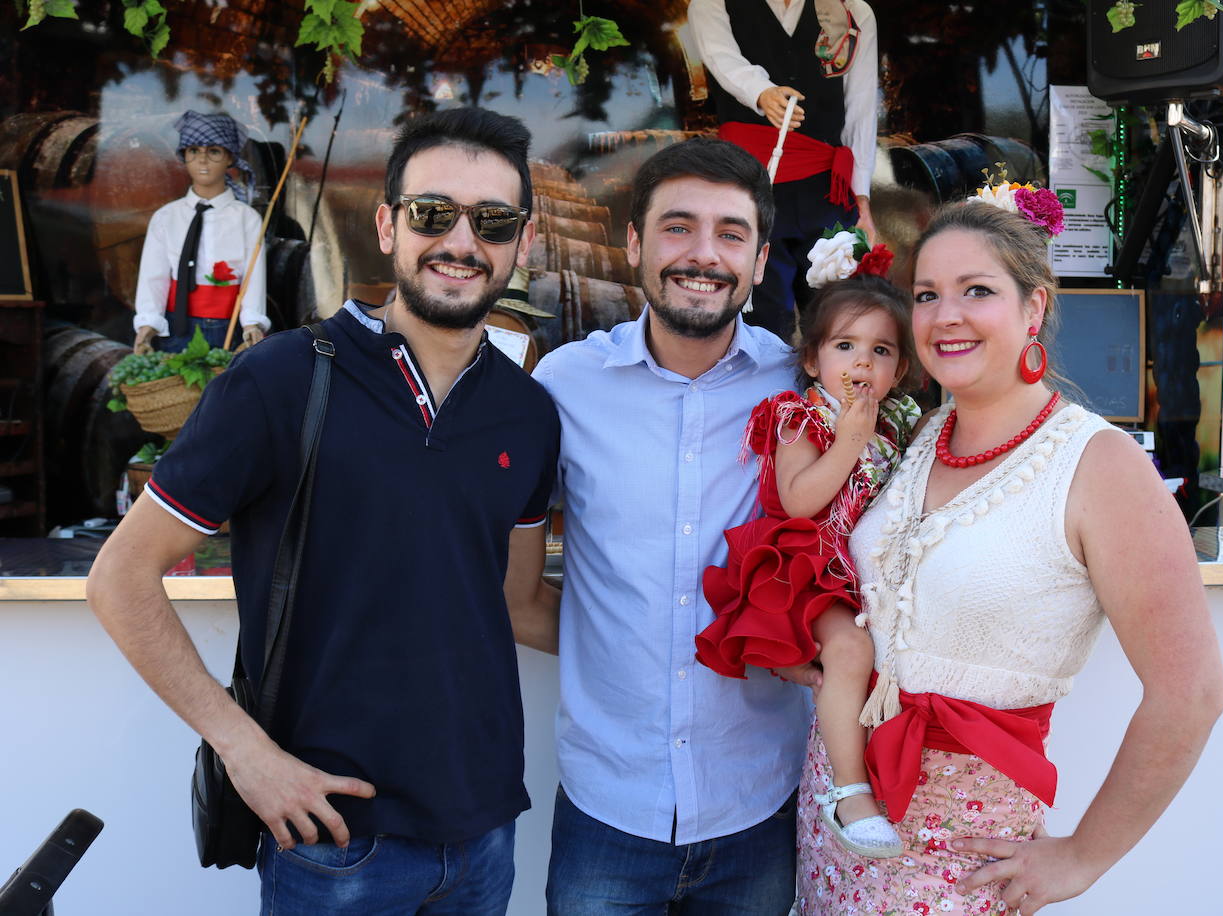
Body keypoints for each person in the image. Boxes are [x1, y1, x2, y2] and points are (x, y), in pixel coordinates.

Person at [87, 107, 561, 915]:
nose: (461, 241)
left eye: (493, 220)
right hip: (336, 843)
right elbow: (119, 577)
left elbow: (518, 604)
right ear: (386, 225)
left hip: (484, 835)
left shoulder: (527, 412)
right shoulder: (282, 379)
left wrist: (690, 649)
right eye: (431, 214)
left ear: (522, 242)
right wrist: (243, 750)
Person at [792, 198, 1223, 915]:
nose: (945, 315)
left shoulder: (1098, 465)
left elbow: (1192, 694)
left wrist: (1083, 858)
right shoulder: (918, 436)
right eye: (927, 295)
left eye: (977, 291)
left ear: (1034, 308)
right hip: (837, 817)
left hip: (964, 854)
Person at [533, 137, 809, 914]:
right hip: (607, 803)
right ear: (634, 244)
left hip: (757, 800)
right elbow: (509, 574)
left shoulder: (799, 386)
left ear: (759, 262)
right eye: (677, 227)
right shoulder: (565, 385)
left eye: (730, 233)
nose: (703, 254)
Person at [694, 273, 920, 859]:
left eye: (881, 349)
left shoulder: (900, 421)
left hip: (869, 572)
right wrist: (849, 441)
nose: (862, 362)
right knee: (849, 651)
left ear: (899, 369)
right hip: (808, 566)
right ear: (814, 360)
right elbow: (798, 500)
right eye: (845, 346)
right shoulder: (801, 416)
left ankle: (896, 774)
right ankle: (850, 792)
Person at [688, 0, 879, 339]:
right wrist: (761, 92)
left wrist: (861, 197)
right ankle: (766, 392)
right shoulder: (712, 4)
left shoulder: (851, 10)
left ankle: (835, 393)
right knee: (763, 317)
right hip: (748, 189)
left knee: (837, 316)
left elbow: (860, 107)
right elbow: (721, 57)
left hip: (827, 188)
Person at [133, 111, 269, 354]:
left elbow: (254, 277)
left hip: (228, 330)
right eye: (193, 151)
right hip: (176, 328)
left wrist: (252, 322)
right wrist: (147, 324)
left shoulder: (246, 219)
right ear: (184, 156)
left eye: (214, 151)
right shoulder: (166, 217)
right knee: (177, 390)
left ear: (229, 158)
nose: (202, 160)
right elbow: (154, 276)